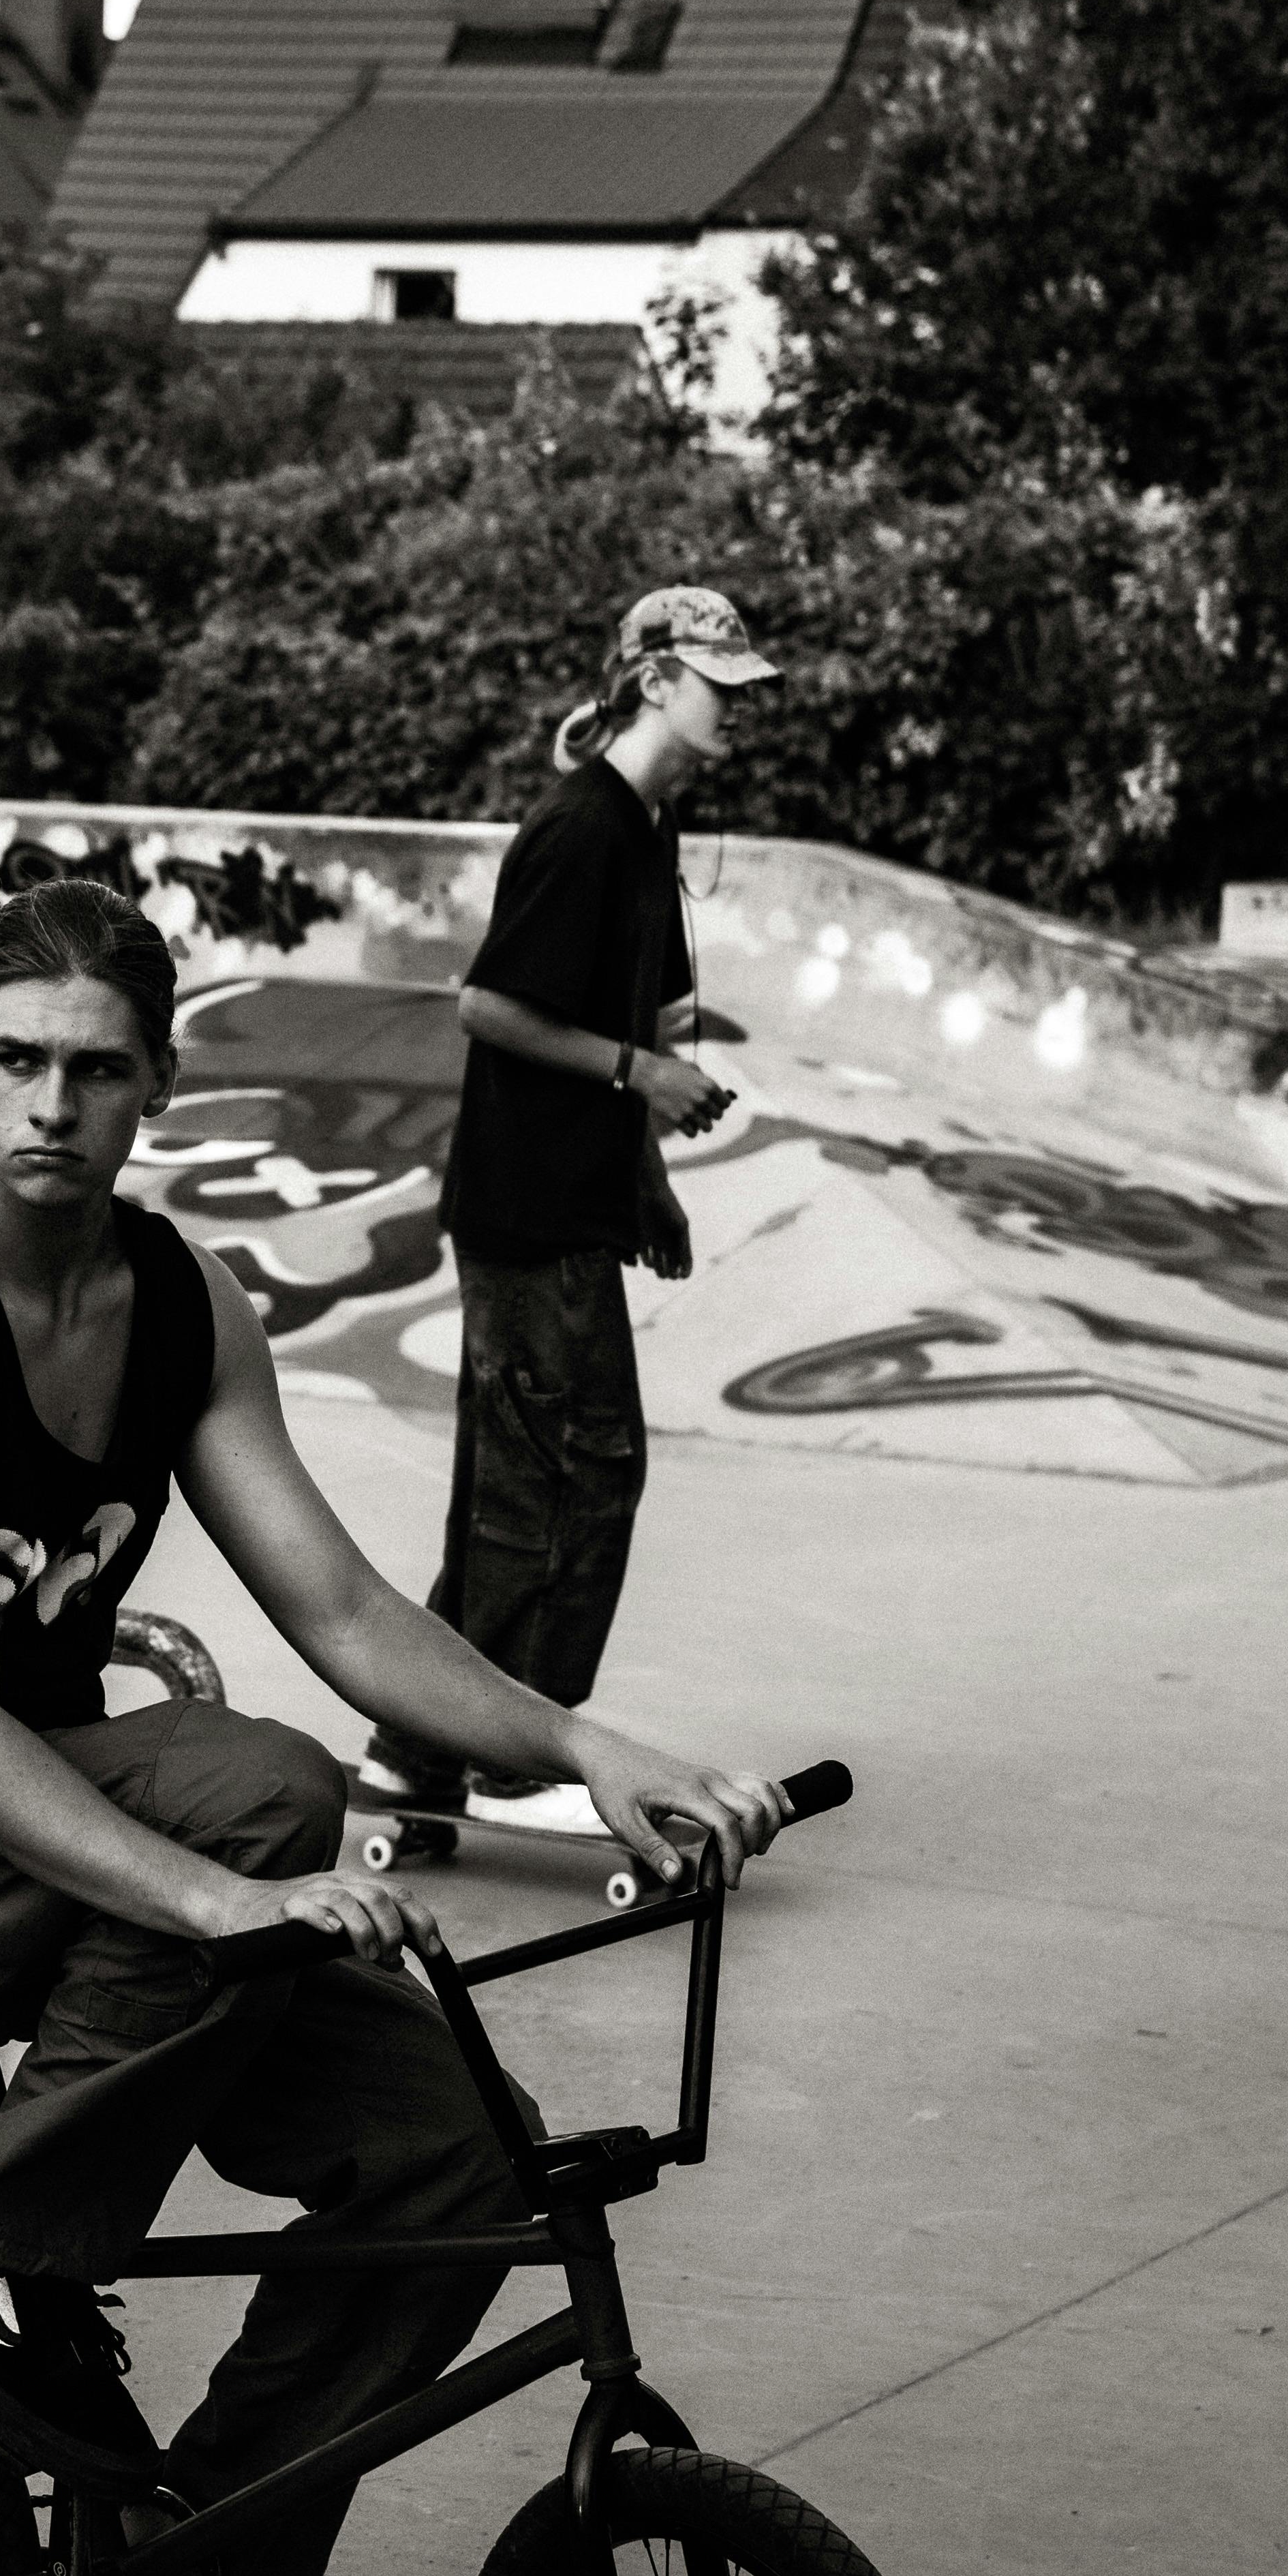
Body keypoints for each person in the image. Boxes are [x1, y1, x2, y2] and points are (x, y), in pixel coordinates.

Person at [0, 875, 783, 2576]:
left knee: (455, 2160)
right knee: (266, 1790)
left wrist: (586, 1747)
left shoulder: (182, 1299)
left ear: (155, 1087)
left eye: (95, 1071)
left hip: (37, 1836)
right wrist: (222, 1902)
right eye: (11, 1060)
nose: (47, 1107)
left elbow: (352, 1611)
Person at [356, 585, 779, 1834]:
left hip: (563, 1210)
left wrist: (643, 1178)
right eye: (721, 688)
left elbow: (628, 1011)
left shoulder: (644, 832)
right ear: (654, 681)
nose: (738, 715)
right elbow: (487, 1006)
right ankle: (510, 1754)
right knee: (568, 1486)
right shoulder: (583, 827)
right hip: (525, 1213)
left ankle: (419, 1754)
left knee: (527, 1487)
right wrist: (639, 1076)